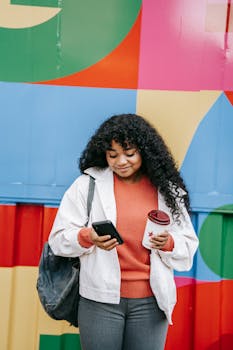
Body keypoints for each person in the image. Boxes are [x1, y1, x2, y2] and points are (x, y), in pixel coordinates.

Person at [48, 113, 199, 350]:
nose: (121, 161)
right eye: (112, 155)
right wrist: (88, 237)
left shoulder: (167, 190)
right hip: (100, 301)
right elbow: (57, 240)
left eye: (129, 154)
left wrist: (169, 243)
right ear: (103, 154)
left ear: (145, 152)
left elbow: (188, 245)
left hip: (151, 302)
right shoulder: (87, 185)